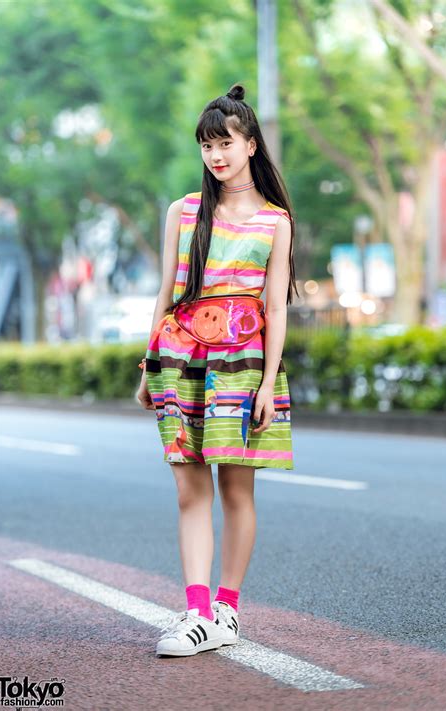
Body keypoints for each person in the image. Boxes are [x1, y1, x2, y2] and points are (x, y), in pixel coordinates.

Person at [136, 83, 299, 657]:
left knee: (235, 488)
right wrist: (147, 365)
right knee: (188, 490)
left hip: (242, 362)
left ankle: (226, 609)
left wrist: (266, 383)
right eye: (207, 146)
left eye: (225, 143)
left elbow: (275, 306)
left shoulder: (275, 221)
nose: (216, 156)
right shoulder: (183, 211)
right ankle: (197, 612)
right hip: (181, 358)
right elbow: (166, 291)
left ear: (251, 144)